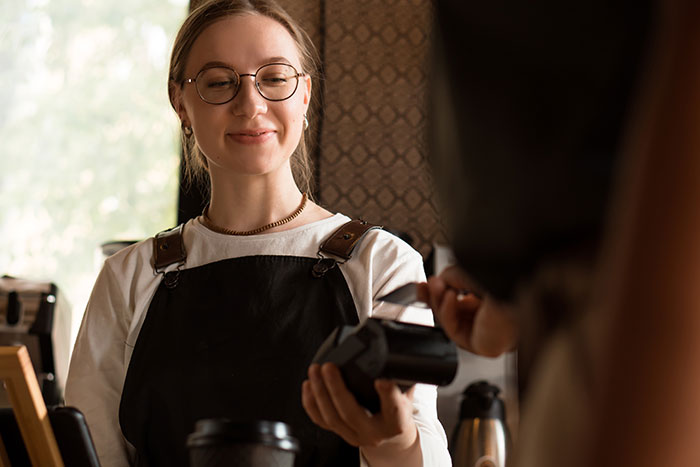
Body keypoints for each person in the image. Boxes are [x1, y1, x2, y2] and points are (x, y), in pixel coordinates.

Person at [64, 1, 451, 466]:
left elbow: (423, 453)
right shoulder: (128, 277)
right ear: (181, 103)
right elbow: (86, 455)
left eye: (274, 78)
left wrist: (390, 439)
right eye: (219, 82)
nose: (250, 103)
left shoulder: (383, 264)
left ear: (304, 95)